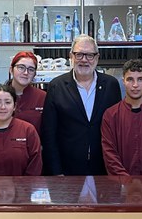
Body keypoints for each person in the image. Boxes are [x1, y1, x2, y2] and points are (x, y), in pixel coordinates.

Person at [41, 34, 121, 175]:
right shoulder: (56, 86)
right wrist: (56, 172)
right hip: (67, 170)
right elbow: (49, 134)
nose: (84, 60)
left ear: (97, 58)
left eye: (89, 55)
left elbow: (117, 129)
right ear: (71, 56)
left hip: (103, 168)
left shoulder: (111, 85)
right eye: (79, 54)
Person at [7, 51, 46, 134]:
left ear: (34, 74)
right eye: (21, 67)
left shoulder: (42, 97)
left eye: (31, 69)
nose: (25, 73)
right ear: (11, 69)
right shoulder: (0, 96)